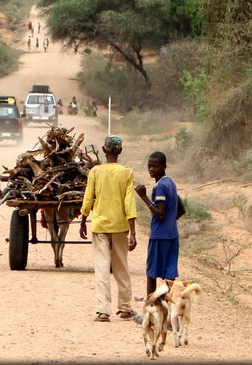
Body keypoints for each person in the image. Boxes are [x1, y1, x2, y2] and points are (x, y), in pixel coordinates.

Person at [79, 135, 138, 322]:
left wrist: (83, 218)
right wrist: (133, 232)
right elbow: (130, 203)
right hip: (120, 226)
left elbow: (89, 197)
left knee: (102, 267)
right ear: (119, 151)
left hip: (100, 226)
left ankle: (104, 310)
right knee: (121, 266)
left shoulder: (95, 172)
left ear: (104, 150)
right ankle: (126, 307)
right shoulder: (127, 173)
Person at [134, 151, 185, 320]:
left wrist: (143, 197)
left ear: (163, 167)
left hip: (159, 236)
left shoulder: (160, 186)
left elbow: (160, 213)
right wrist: (170, 221)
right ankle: (169, 316)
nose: (151, 169)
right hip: (172, 235)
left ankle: (150, 313)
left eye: (155, 166)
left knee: (151, 274)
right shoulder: (171, 183)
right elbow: (181, 209)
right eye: (149, 165)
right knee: (170, 278)